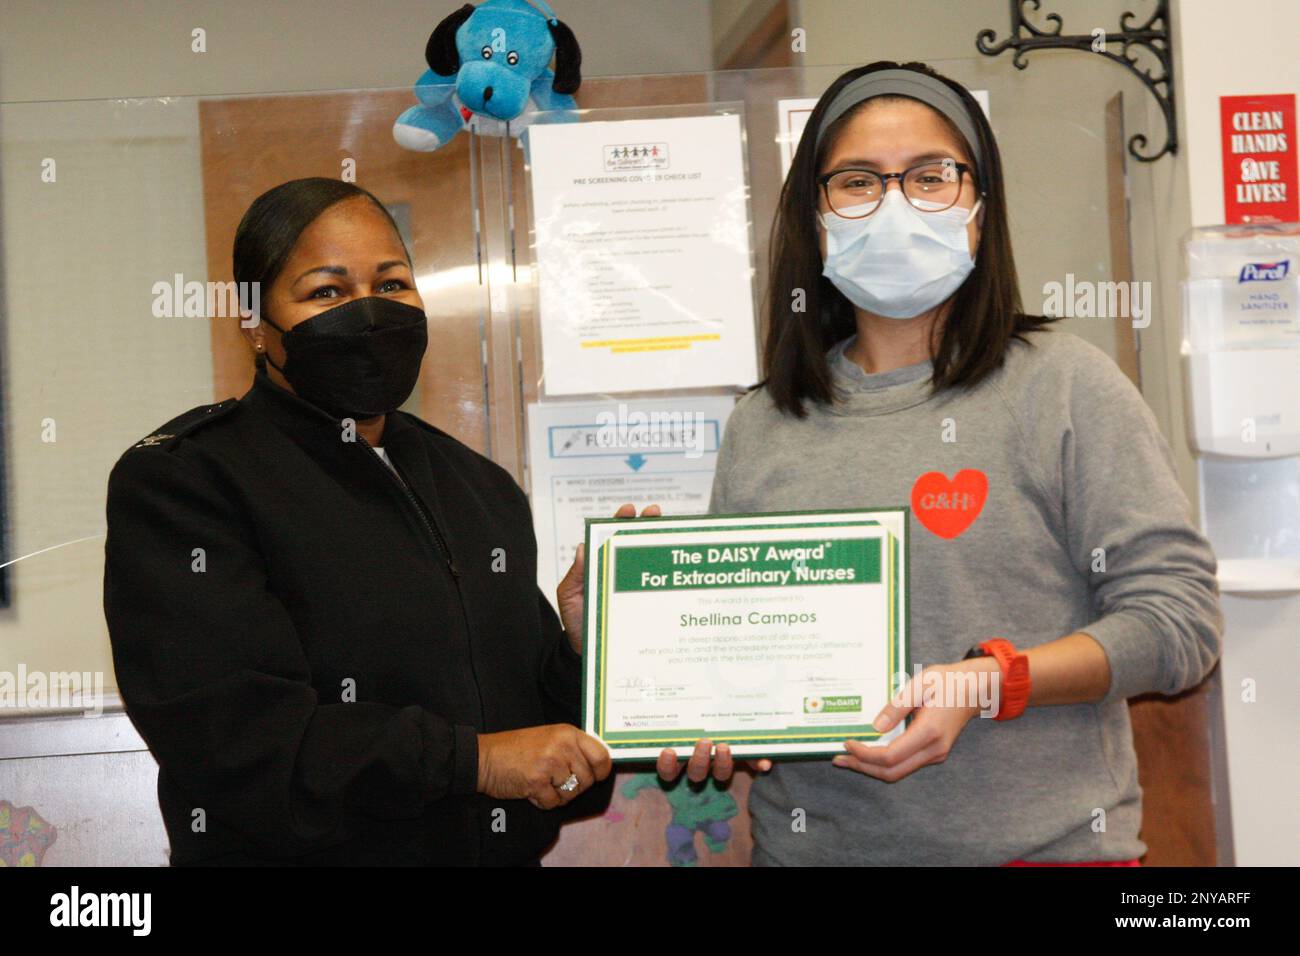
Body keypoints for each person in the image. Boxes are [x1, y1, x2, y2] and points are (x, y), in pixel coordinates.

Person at [654, 61, 1223, 866]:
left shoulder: (1064, 384)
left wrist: (987, 681)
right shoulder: (762, 423)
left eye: (930, 177)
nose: (893, 205)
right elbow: (743, 659)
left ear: (980, 211)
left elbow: (1179, 622)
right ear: (815, 218)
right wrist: (699, 715)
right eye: (857, 182)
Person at [103, 177, 626, 866]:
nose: (369, 314)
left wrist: (584, 655)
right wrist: (472, 763)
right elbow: (237, 743)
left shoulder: (477, 485)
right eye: (326, 291)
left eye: (391, 285)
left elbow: (532, 743)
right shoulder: (188, 481)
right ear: (254, 320)